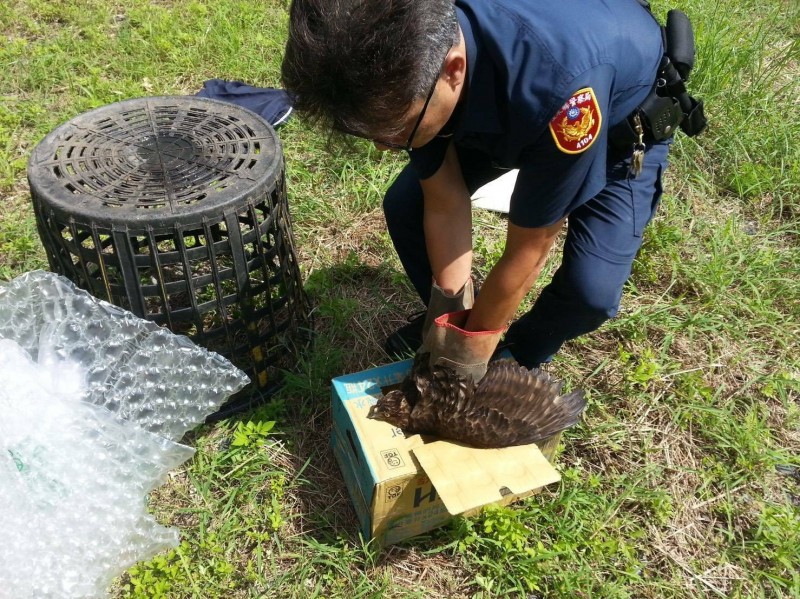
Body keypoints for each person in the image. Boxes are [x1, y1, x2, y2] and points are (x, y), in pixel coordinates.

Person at [281, 0, 682, 380]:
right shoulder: (413, 44)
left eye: (395, 131)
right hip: (491, 99)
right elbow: (443, 203)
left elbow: (529, 248)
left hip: (615, 125)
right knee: (407, 207)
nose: (384, 146)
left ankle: (519, 354)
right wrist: (454, 322)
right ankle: (450, 321)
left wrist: (469, 356)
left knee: (589, 292)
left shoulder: (566, 98)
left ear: (452, 69)